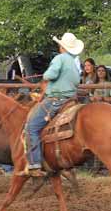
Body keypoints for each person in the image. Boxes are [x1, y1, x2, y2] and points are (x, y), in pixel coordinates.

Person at [23, 33, 84, 177]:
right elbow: (76, 81)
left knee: (31, 126)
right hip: (70, 99)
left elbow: (49, 75)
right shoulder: (75, 62)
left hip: (56, 99)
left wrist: (45, 75)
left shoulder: (59, 59)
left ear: (62, 46)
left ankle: (34, 164)